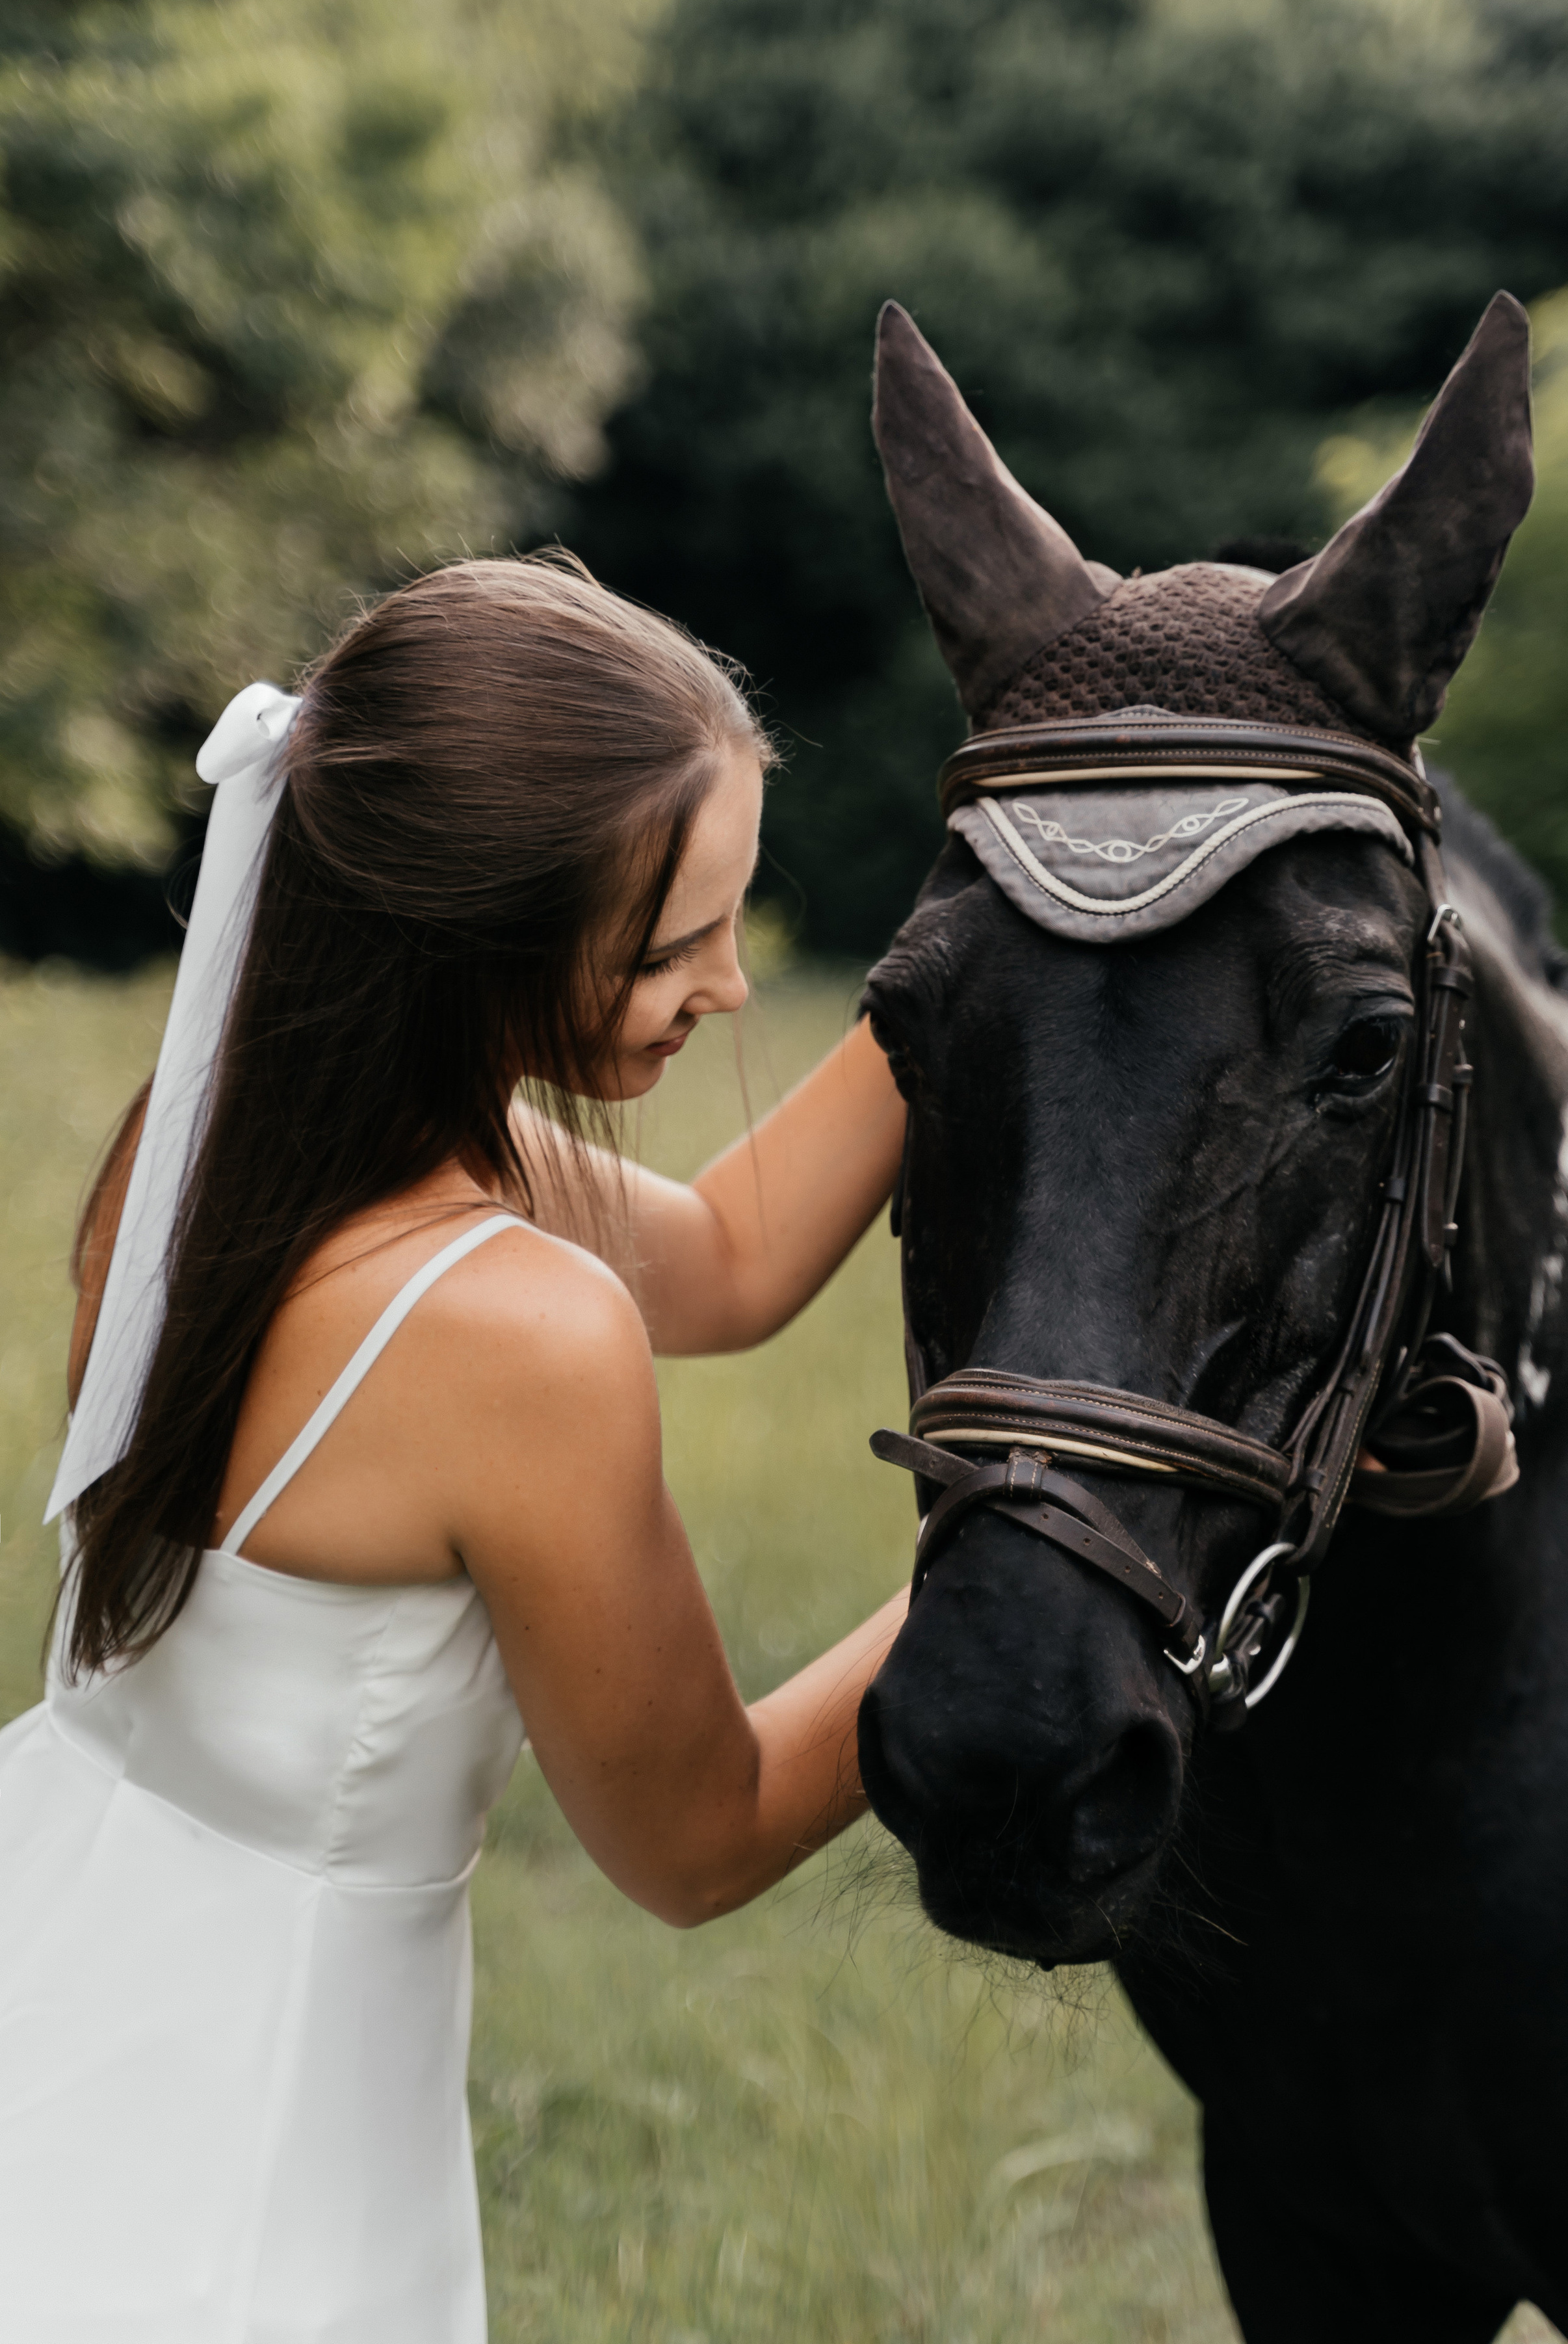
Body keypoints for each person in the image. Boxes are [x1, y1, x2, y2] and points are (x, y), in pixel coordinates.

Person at [0, 555, 910, 2343]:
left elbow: (723, 1262)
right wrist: (1025, 1531)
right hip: (257, 2123)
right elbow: (698, 1841)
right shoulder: (513, 1328)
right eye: (670, 945)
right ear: (478, 935)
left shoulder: (212, 1140)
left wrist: (993, 939)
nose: (728, 985)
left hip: (67, 1937)